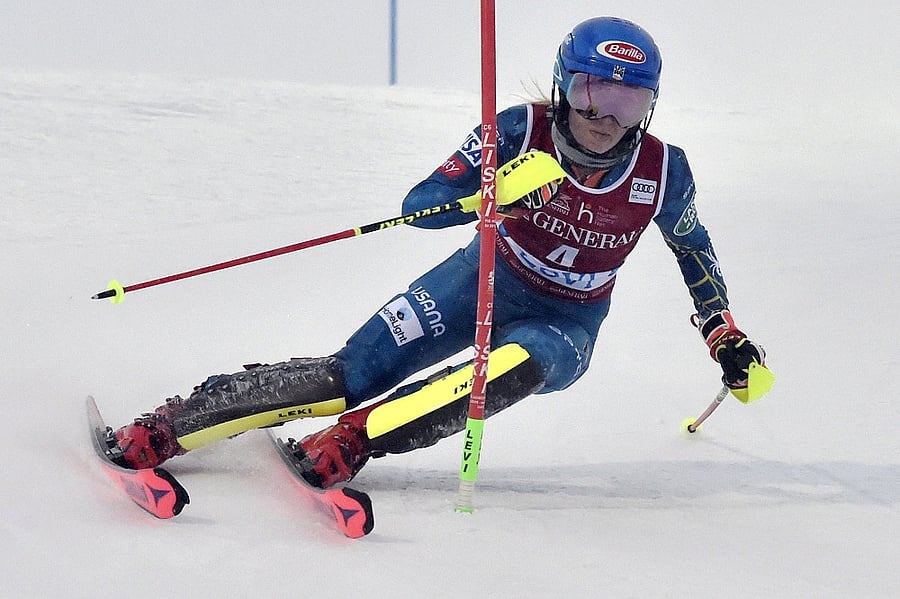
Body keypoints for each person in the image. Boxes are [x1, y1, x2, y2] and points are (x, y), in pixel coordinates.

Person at [112, 17, 765, 489]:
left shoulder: (662, 170)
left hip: (566, 325)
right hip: (480, 279)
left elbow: (694, 251)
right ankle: (179, 421)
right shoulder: (519, 129)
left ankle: (350, 443)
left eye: (630, 100)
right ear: (570, 85)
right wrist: (481, 198)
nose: (607, 116)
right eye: (596, 91)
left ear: (649, 108)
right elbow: (419, 201)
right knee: (349, 374)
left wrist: (722, 333)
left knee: (517, 361)